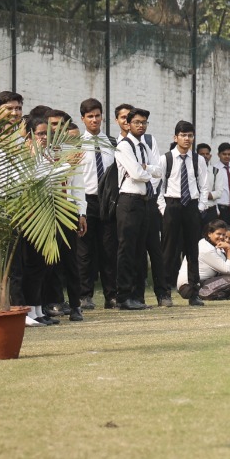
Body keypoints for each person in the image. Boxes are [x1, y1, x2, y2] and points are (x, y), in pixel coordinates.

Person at [113, 106, 165, 310]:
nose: (141, 126)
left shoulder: (145, 146)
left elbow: (159, 171)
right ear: (128, 124)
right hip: (128, 201)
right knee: (126, 249)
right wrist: (146, 169)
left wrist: (146, 168)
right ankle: (123, 296)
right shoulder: (124, 146)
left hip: (144, 201)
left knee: (139, 250)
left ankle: (137, 296)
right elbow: (135, 173)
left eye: (144, 123)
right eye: (137, 122)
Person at [160, 119, 210, 306]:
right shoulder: (166, 158)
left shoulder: (198, 160)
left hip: (192, 206)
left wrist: (201, 207)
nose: (187, 139)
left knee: (192, 251)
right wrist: (163, 208)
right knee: (169, 251)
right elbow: (159, 186)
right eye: (183, 135)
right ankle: (165, 292)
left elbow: (204, 185)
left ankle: (194, 292)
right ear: (176, 137)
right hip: (172, 204)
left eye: (190, 135)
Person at [74, 98, 116, 310]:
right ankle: (85, 295)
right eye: (90, 116)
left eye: (97, 115)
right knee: (85, 251)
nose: (94, 120)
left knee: (108, 250)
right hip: (86, 201)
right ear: (83, 119)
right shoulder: (77, 144)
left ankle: (111, 295)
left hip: (107, 202)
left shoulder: (112, 142)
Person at [178, 219, 230, 301]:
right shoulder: (206, 249)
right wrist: (229, 249)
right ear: (209, 234)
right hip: (189, 288)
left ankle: (218, 295)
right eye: (218, 234)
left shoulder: (211, 246)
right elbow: (229, 270)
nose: (222, 237)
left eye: (223, 234)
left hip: (202, 284)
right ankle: (203, 295)